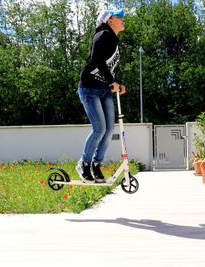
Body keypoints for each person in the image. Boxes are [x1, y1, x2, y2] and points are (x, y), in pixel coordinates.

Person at [76, 8, 126, 184]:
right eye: (119, 17)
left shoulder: (113, 39)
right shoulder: (102, 35)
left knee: (109, 130)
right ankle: (84, 164)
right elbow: (96, 61)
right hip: (89, 88)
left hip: (104, 89)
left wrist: (116, 82)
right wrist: (112, 81)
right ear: (110, 20)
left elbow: (108, 67)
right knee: (99, 129)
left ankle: (96, 165)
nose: (123, 19)